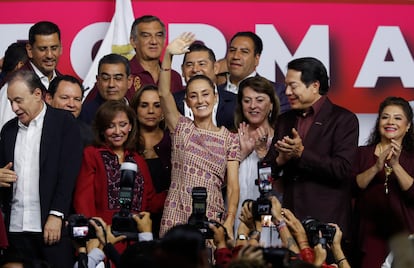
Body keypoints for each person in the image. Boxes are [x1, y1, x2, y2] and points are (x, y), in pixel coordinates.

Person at [264, 57, 359, 254]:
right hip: (290, 222)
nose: (287, 92)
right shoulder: (284, 120)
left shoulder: (344, 119)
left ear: (314, 86)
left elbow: (342, 169)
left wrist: (302, 153)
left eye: (293, 86)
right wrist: (280, 160)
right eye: (286, 86)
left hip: (327, 223)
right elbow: (265, 170)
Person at [157, 33, 240, 239]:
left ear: (215, 97)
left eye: (205, 94)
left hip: (211, 216)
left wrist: (229, 221)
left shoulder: (230, 138)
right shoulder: (181, 128)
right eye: (193, 96)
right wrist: (168, 55)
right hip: (175, 215)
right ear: (187, 101)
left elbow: (232, 187)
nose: (200, 100)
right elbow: (164, 94)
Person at [0, 70, 83, 267]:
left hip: (50, 227)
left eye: (19, 100)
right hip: (15, 229)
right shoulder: (8, 130)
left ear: (37, 94)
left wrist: (57, 214)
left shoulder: (63, 123)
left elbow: (68, 173)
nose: (14, 107)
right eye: (11, 101)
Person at [73, 100, 158, 253]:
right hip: (103, 239)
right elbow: (83, 200)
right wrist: (92, 235)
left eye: (123, 124)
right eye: (111, 126)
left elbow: (150, 201)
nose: (118, 131)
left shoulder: (138, 160)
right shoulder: (92, 154)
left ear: (131, 126)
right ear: (102, 130)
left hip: (135, 240)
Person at [353, 96, 414, 268]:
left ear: (408, 125)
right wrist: (376, 166)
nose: (390, 122)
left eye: (398, 118)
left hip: (405, 235)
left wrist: (395, 164)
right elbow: (353, 186)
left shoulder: (412, 157)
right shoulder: (361, 154)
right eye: (385, 116)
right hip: (369, 236)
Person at [83, 15, 182, 103]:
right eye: (146, 36)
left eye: (159, 35)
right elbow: (90, 112)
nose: (154, 41)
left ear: (164, 40)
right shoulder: (120, 74)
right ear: (133, 41)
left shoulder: (174, 77)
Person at [234, 76, 280, 233]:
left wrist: (263, 154)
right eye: (247, 101)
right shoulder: (232, 138)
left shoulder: (280, 141)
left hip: (268, 219)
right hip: (237, 218)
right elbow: (219, 181)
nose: (253, 106)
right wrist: (242, 154)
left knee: (264, 244)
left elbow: (282, 188)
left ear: (271, 105)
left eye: (259, 100)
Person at [0, 21, 63, 130]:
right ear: (29, 50)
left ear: (61, 48)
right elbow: (4, 133)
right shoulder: (13, 84)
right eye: (42, 49)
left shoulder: (63, 82)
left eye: (54, 48)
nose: (49, 55)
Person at [130, 84, 172, 238]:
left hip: (169, 219)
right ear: (135, 109)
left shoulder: (174, 141)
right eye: (144, 105)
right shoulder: (126, 143)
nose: (151, 111)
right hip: (135, 220)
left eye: (157, 105)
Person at [173, 43, 238, 131]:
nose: (195, 69)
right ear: (182, 70)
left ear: (215, 68)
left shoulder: (235, 102)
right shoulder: (173, 102)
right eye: (189, 65)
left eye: (202, 64)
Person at [225, 31, 289, 114]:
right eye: (232, 50)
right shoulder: (213, 92)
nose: (235, 56)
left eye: (244, 52)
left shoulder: (277, 91)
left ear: (256, 59)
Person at [78, 53, 132, 125]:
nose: (111, 84)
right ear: (98, 81)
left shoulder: (137, 110)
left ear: (129, 81)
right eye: (105, 78)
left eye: (118, 78)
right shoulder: (85, 113)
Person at [45, 75, 93, 147]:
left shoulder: (89, 136)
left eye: (77, 99)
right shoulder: (34, 129)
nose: (71, 104)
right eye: (65, 98)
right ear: (49, 99)